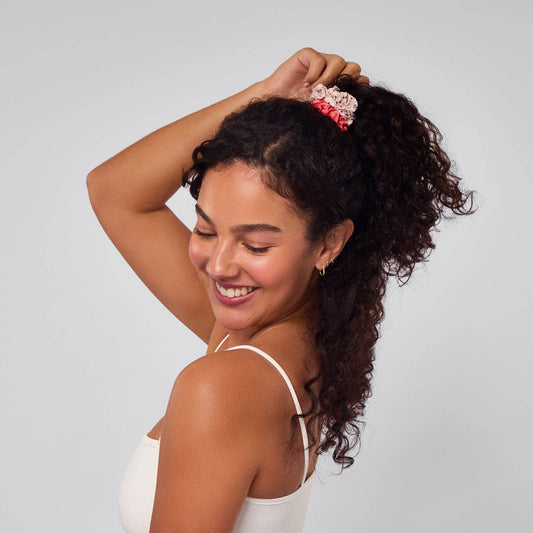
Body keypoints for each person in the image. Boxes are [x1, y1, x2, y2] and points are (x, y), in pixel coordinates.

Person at [87, 48, 476, 532]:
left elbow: (115, 194)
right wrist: (264, 98)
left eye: (255, 245)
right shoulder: (284, 337)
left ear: (328, 243)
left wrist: (258, 99)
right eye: (206, 230)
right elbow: (115, 192)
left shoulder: (227, 384)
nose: (219, 266)